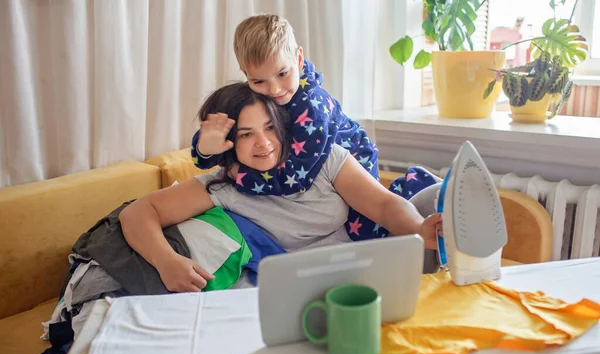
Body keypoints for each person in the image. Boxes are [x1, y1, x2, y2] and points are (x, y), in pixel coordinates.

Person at [122, 82, 442, 293]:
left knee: (439, 195)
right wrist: (166, 261)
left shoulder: (323, 159)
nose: (263, 143)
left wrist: (417, 229)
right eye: (247, 134)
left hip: (370, 255)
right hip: (321, 285)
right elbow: (138, 212)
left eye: (269, 128)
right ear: (229, 143)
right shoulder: (223, 186)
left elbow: (384, 205)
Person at [190, 14, 439, 242]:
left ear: (298, 59)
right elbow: (216, 136)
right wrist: (204, 148)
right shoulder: (257, 98)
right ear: (246, 75)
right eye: (259, 80)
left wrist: (241, 176)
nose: (275, 89)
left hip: (351, 155)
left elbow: (297, 175)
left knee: (366, 228)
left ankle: (415, 186)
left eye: (282, 74)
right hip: (317, 164)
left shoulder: (313, 106)